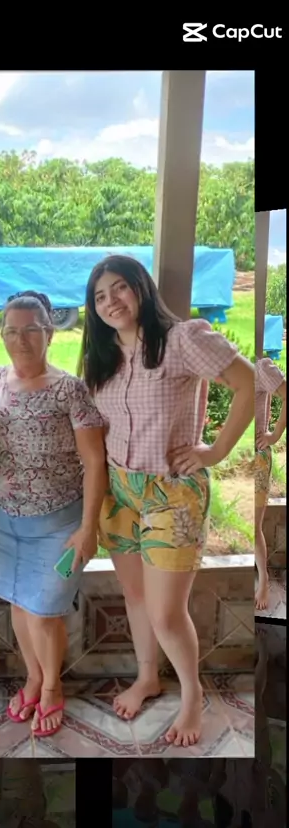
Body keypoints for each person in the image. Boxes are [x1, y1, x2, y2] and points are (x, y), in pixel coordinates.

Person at [79, 255, 255, 747]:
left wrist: (215, 451)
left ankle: (192, 696)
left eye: (119, 288)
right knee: (135, 597)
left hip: (171, 492)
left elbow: (247, 383)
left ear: (141, 288)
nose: (111, 301)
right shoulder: (103, 355)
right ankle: (147, 677)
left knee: (166, 612)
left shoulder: (181, 340)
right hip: (119, 490)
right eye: (99, 296)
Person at [0, 290, 106, 737]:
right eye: (11, 330)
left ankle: (51, 687)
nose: (21, 339)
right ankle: (32, 678)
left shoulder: (70, 390)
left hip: (58, 526)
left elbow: (94, 462)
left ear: (50, 333)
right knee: (18, 601)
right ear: (1, 334)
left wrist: (88, 528)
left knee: (45, 612)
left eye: (31, 329)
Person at [254, 356, 286, 610]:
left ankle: (263, 579)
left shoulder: (261, 367)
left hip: (256, 457)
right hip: (236, 458)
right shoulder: (227, 364)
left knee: (253, 527)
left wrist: (274, 435)